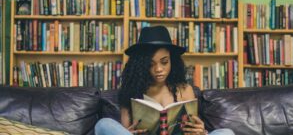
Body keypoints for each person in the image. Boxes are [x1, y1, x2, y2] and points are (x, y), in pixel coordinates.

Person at [95, 25, 235, 135]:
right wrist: (129, 133)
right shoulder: (130, 92)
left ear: (172, 61)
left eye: (164, 62)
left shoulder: (185, 90)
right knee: (104, 124)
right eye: (151, 64)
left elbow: (191, 129)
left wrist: (200, 132)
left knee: (226, 133)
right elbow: (125, 131)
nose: (158, 69)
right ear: (142, 66)